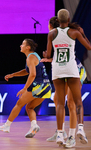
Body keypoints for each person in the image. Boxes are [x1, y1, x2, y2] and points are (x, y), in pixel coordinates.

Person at [46, 9, 91, 147]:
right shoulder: (75, 32)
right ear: (69, 19)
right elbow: (88, 47)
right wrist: (82, 33)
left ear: (58, 20)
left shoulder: (52, 34)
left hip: (58, 70)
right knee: (77, 102)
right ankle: (81, 130)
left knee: (60, 103)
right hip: (71, 70)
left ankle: (60, 134)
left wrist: (45, 54)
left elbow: (48, 55)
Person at [0, 39, 52, 138]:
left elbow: (33, 74)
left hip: (38, 86)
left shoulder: (30, 57)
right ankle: (34, 125)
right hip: (47, 87)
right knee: (29, 107)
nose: (20, 45)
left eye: (22, 44)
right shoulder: (34, 56)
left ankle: (7, 126)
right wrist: (13, 75)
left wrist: (24, 88)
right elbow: (27, 71)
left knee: (19, 104)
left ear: (28, 47)